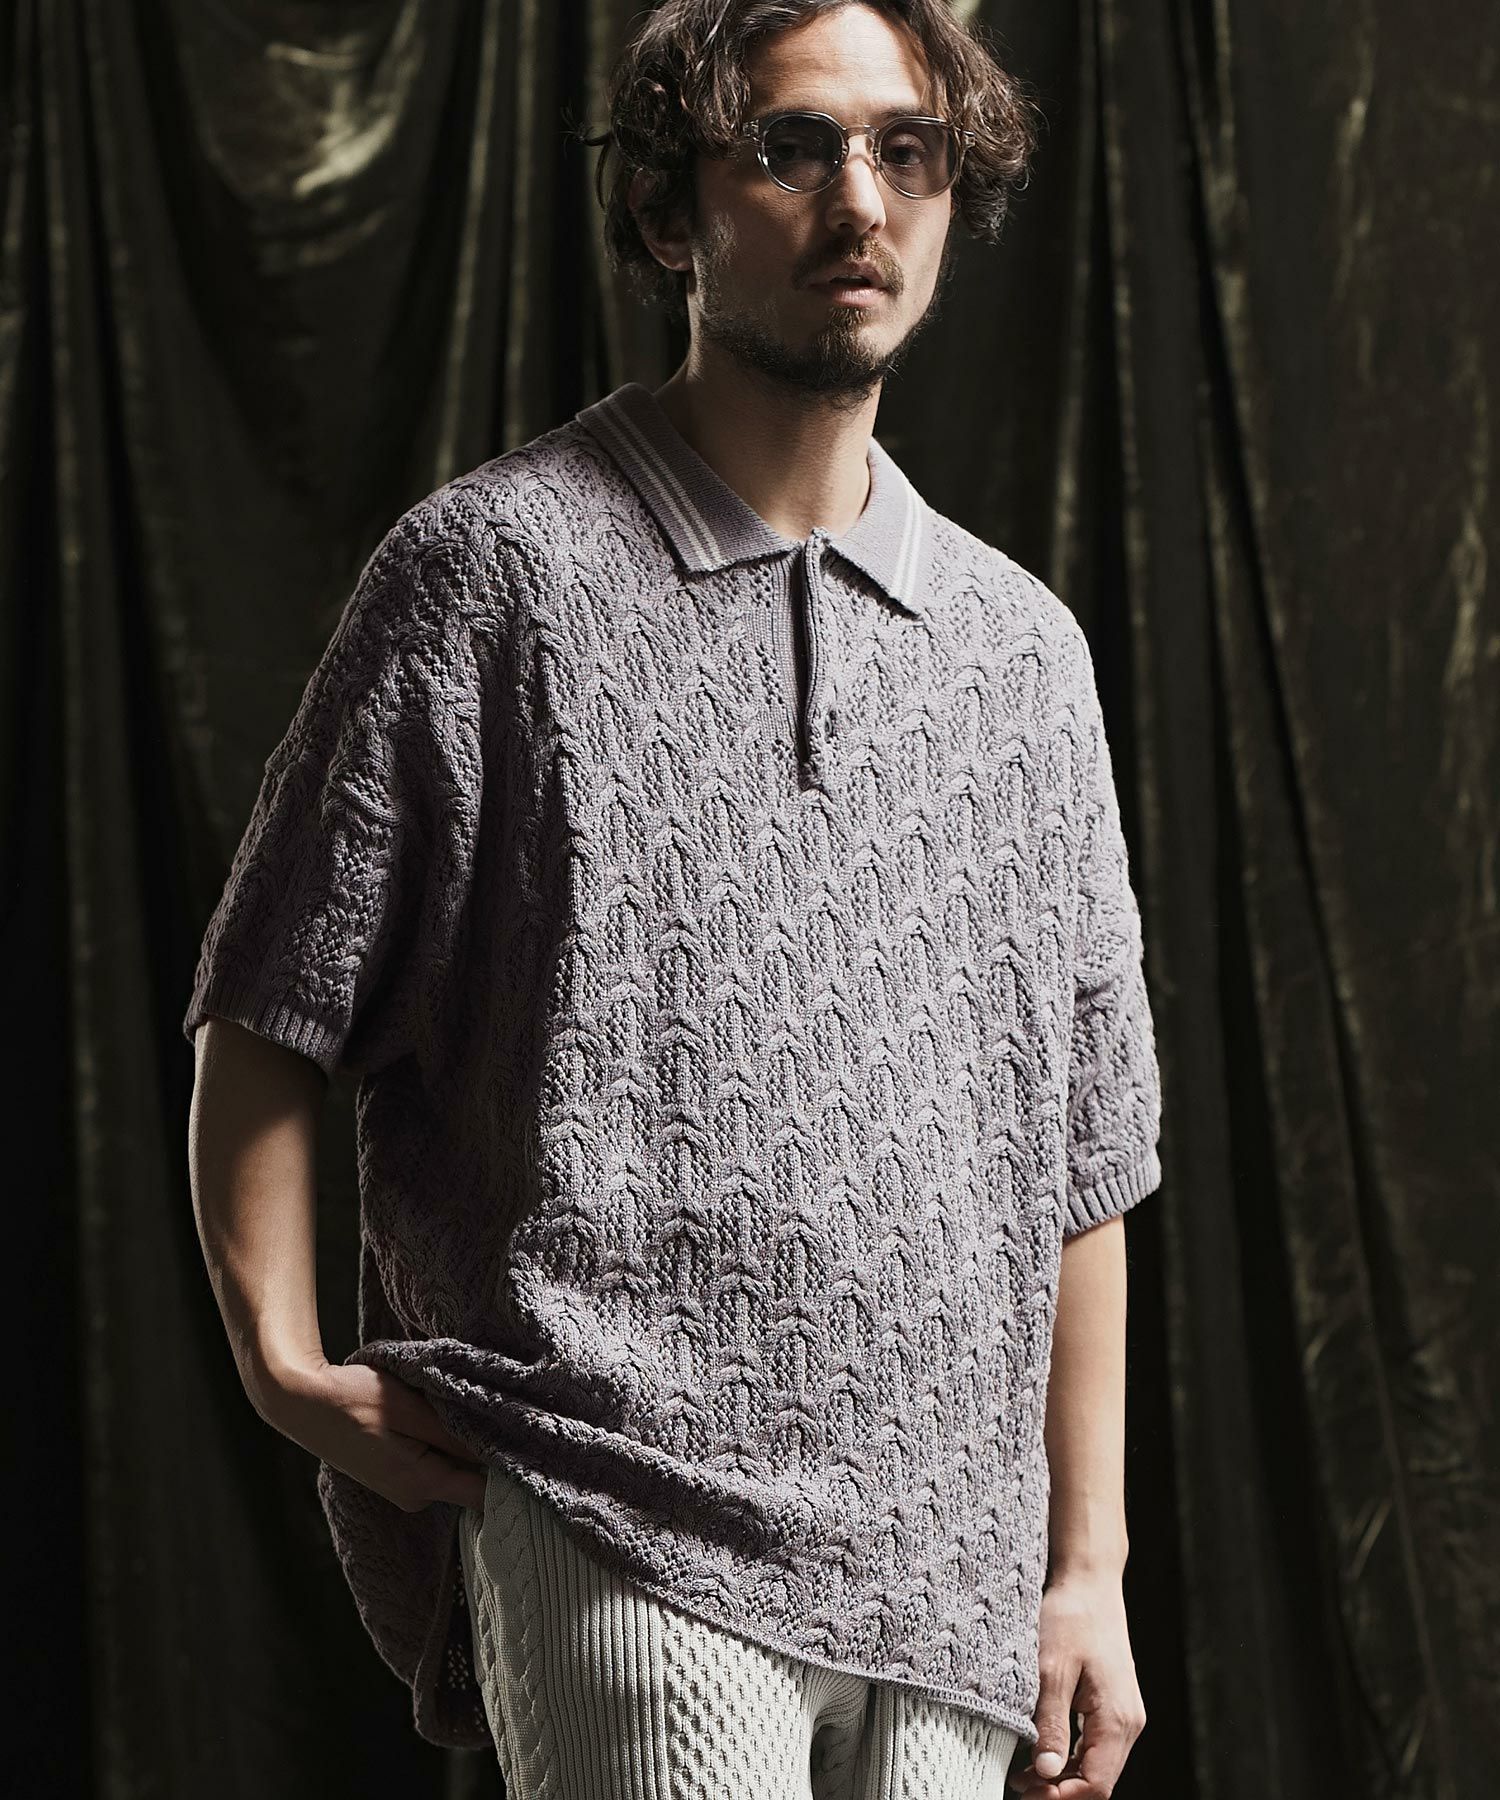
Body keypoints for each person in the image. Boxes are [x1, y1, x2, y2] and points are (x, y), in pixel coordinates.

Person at [183, 2, 1162, 1795]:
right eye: (792, 147)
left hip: (953, 1566)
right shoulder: (493, 573)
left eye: (909, 152)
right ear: (663, 208)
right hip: (617, 1500)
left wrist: (1084, 1565)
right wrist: (279, 1361)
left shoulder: (1028, 657)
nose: (859, 201)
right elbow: (268, 999)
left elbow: (1082, 1157)